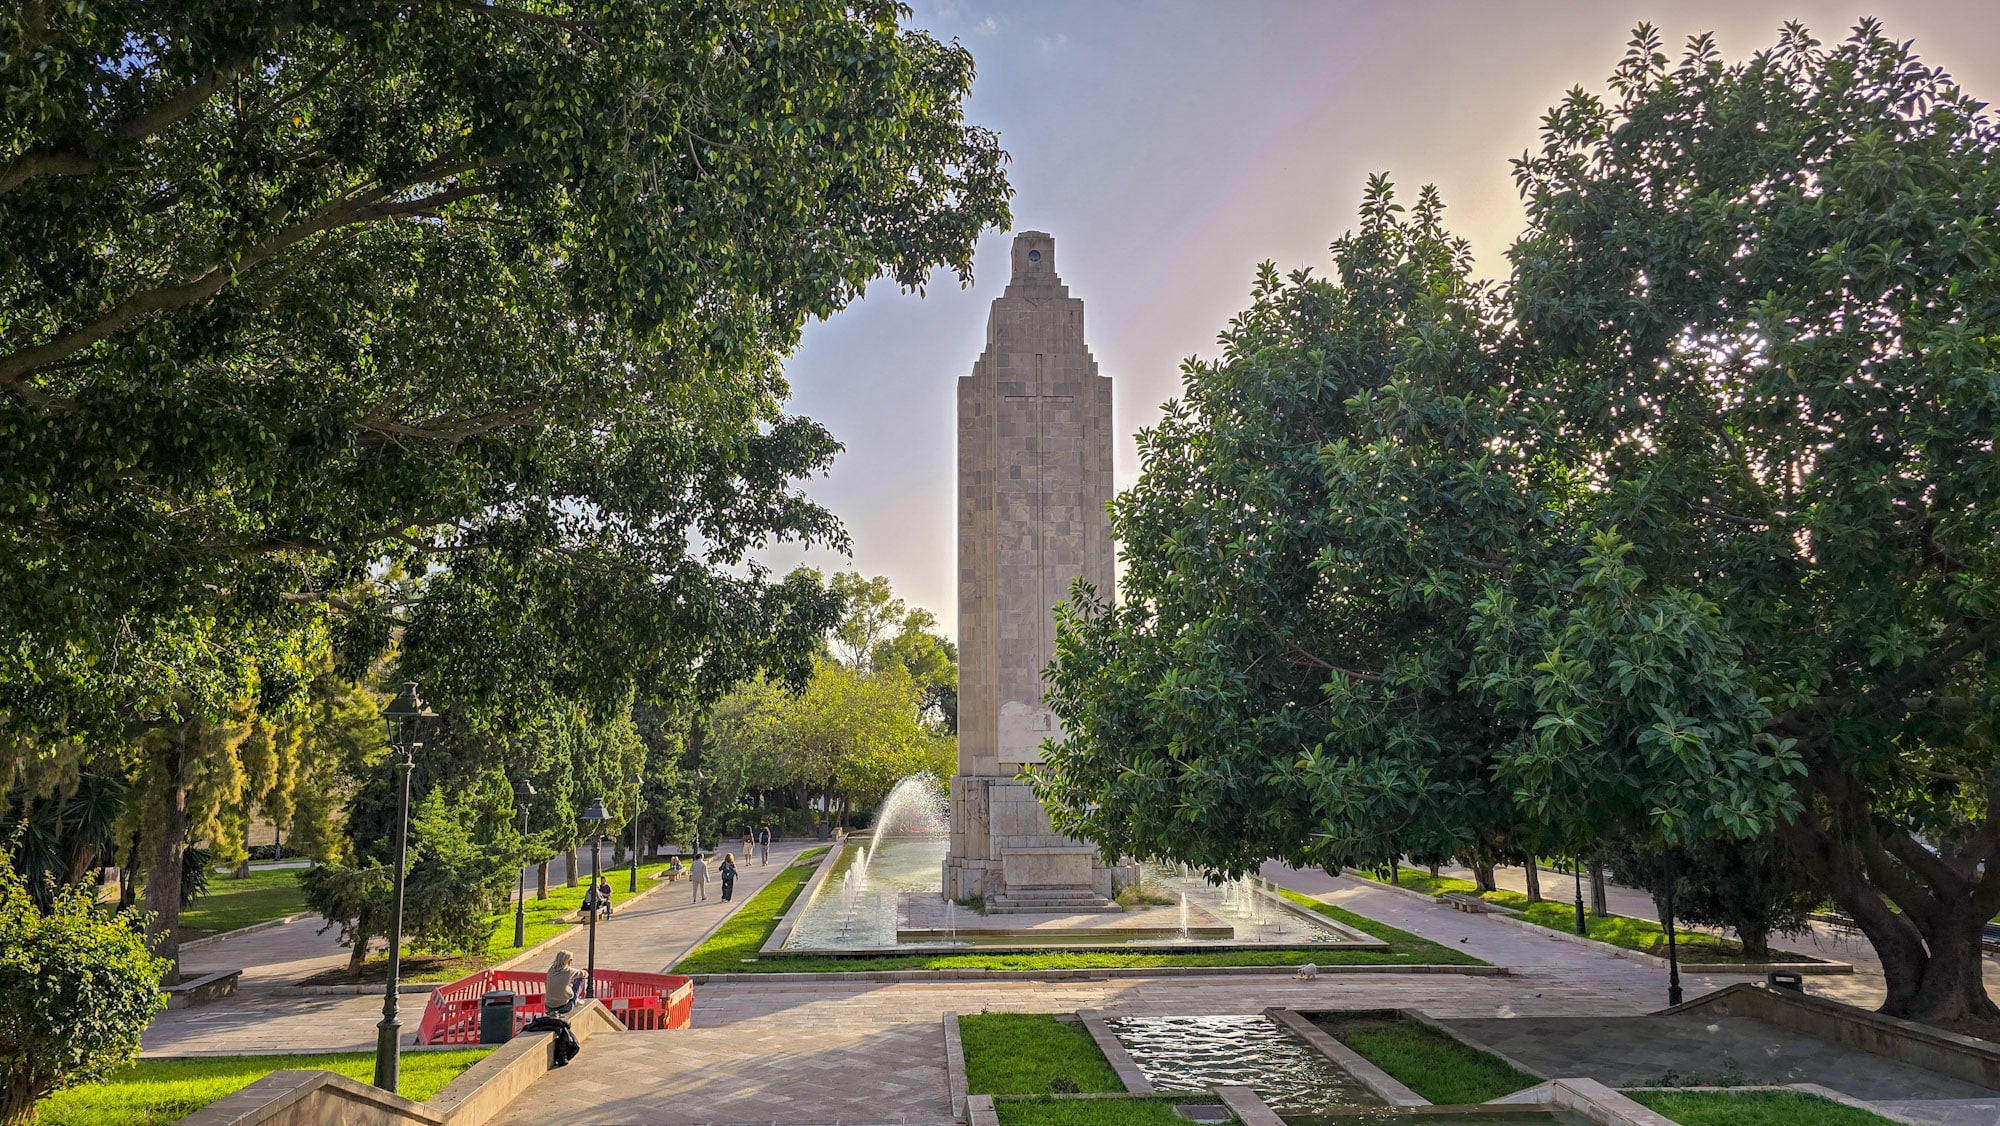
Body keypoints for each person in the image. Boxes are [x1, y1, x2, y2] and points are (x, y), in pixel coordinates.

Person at [545, 950, 584, 1019]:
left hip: (548, 1007)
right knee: (581, 979)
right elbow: (584, 974)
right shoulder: (569, 971)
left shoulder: (550, 970)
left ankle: (553, 1011)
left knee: (564, 987)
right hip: (564, 1007)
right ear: (568, 961)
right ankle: (576, 1000)